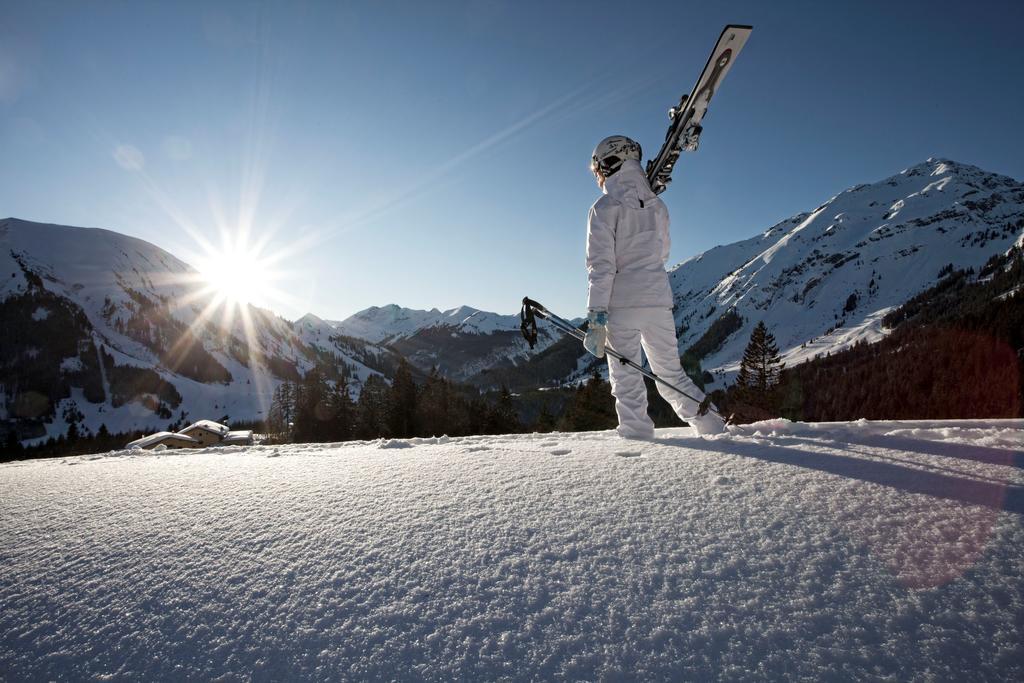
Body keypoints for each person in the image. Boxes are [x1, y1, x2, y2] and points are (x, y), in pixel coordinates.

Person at [583, 135, 726, 439]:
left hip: (621, 305)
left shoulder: (604, 207)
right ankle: (712, 426)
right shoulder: (658, 206)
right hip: (658, 302)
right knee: (670, 374)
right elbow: (663, 253)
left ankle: (636, 435)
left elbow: (601, 267)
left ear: (609, 163)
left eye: (597, 168)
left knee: (626, 378)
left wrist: (596, 317)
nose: (597, 175)